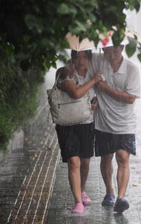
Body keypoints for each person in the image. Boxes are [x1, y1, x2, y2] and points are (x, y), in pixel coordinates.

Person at [88, 44, 140, 213]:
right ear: (103, 51)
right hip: (103, 122)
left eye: (115, 52)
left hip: (125, 123)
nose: (112, 56)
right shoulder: (97, 61)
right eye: (108, 52)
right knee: (106, 158)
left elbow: (131, 98)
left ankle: (121, 197)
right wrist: (91, 97)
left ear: (123, 48)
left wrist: (105, 89)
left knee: (123, 157)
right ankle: (110, 191)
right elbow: (81, 69)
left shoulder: (131, 70)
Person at [54, 50, 102, 214]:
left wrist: (94, 103)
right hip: (68, 125)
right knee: (74, 161)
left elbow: (93, 97)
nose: (81, 61)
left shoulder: (92, 74)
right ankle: (78, 202)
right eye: (77, 57)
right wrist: (94, 80)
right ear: (72, 58)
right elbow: (75, 93)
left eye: (84, 57)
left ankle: (81, 190)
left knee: (85, 162)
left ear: (89, 59)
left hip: (87, 123)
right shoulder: (65, 74)